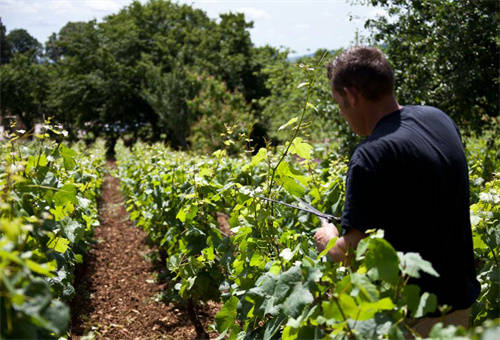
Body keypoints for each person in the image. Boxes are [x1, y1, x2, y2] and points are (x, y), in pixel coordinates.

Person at [314, 46, 480, 335]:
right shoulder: (437, 119)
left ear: (352, 95)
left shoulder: (370, 155)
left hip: (412, 316)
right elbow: (417, 205)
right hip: (459, 306)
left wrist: (328, 241)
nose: (341, 112)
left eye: (339, 102)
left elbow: (353, 255)